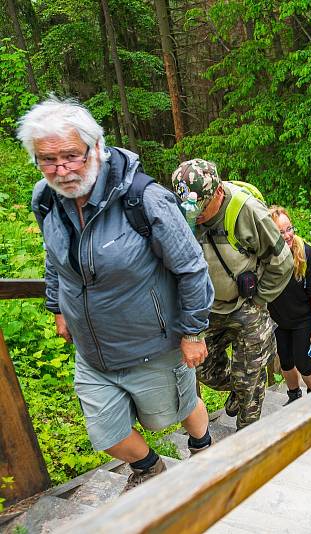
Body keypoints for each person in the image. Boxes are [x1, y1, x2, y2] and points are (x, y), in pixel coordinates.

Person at [21, 97, 214, 490]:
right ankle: (149, 467)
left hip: (151, 343)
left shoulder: (144, 199)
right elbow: (55, 258)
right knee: (106, 434)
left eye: (71, 156)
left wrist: (193, 331)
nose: (61, 169)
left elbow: (192, 268)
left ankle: (204, 447)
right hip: (92, 350)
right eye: (47, 159)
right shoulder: (47, 201)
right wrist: (58, 307)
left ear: (96, 148)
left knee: (180, 407)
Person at [171, 159, 293, 430]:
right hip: (208, 309)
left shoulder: (246, 211)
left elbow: (282, 262)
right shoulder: (182, 213)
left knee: (250, 378)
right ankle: (238, 387)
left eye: (200, 208)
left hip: (246, 306)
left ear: (217, 193)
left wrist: (259, 300)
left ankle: (245, 439)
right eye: (188, 208)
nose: (194, 215)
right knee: (204, 369)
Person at [268, 207, 311, 403]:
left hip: (302, 318)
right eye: (280, 232)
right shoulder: (265, 254)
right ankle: (294, 396)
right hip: (278, 319)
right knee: (285, 361)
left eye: (289, 229)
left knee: (302, 359)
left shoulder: (305, 252)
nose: (287, 235)